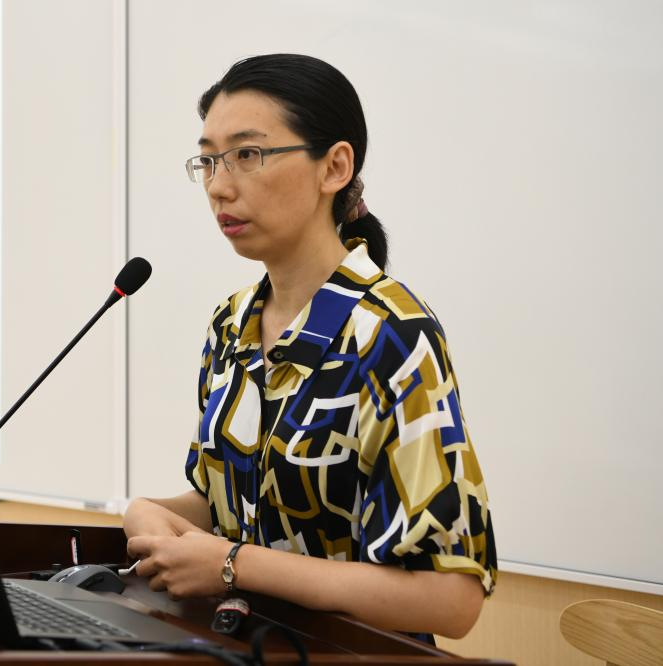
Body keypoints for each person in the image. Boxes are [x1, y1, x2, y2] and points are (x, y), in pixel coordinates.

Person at [123, 54, 496, 641]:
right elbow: (232, 505)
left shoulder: (391, 334)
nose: (219, 186)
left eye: (248, 155)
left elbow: (451, 599)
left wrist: (234, 565)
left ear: (334, 167)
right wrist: (148, 510)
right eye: (209, 160)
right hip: (240, 644)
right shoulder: (232, 323)